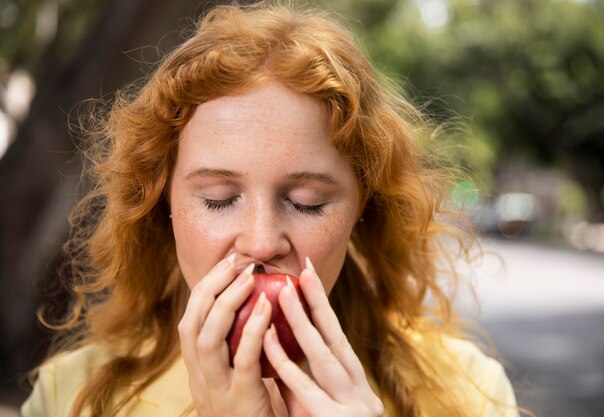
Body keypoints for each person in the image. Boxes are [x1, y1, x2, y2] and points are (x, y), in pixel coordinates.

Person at [22, 2, 522, 417]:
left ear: (361, 211)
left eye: (306, 204)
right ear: (162, 205)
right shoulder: (69, 397)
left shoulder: (469, 393)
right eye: (219, 198)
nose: (262, 242)